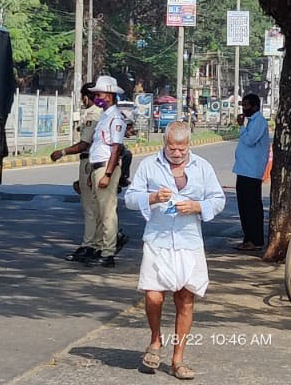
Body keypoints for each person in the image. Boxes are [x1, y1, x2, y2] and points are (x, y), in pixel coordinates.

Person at [125, 122, 225, 379]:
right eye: (172, 148)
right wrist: (152, 198)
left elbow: (218, 199)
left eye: (182, 149)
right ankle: (155, 340)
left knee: (185, 299)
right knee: (153, 296)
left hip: (189, 241)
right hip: (157, 240)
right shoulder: (149, 165)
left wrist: (197, 206)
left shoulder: (202, 167)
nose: (177, 153)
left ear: (189, 145)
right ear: (164, 144)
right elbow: (130, 198)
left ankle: (178, 359)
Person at [53, 83, 103, 262]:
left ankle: (89, 245)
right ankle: (98, 245)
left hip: (89, 161)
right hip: (97, 163)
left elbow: (84, 144)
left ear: (86, 97)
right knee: (97, 208)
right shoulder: (103, 113)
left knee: (90, 208)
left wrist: (62, 152)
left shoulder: (93, 115)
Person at [82, 76, 128, 266]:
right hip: (97, 167)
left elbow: (116, 148)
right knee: (99, 212)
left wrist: (107, 174)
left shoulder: (115, 118)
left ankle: (108, 253)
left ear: (109, 96)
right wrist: (92, 174)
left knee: (107, 212)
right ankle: (100, 247)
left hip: (106, 168)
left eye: (99, 95)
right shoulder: (104, 116)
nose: (96, 98)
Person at [231, 94, 269, 252]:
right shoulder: (252, 121)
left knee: (252, 207)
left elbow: (249, 140)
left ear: (255, 106)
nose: (244, 109)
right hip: (243, 169)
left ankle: (256, 240)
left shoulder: (259, 121)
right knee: (244, 207)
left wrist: (241, 126)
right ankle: (248, 239)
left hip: (251, 171)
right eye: (243, 106)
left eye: (246, 106)